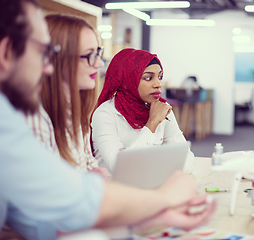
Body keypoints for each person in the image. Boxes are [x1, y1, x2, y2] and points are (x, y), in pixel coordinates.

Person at [0, 0, 216, 239]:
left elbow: (87, 182)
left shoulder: (74, 114)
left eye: (99, 54)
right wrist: (163, 197)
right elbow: (74, 200)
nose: (99, 64)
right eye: (43, 52)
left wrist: (160, 211)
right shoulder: (95, 113)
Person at [26, 13, 109, 178]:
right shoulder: (34, 118)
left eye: (98, 52)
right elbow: (50, 191)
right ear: (57, 60)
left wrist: (96, 174)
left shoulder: (76, 109)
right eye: (90, 55)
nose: (99, 63)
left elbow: (88, 165)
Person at [91, 48, 194, 173]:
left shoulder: (161, 107)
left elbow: (186, 157)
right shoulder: (105, 114)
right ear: (126, 81)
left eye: (160, 77)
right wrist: (152, 123)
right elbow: (120, 168)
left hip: (152, 185)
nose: (158, 84)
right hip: (114, 189)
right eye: (148, 78)